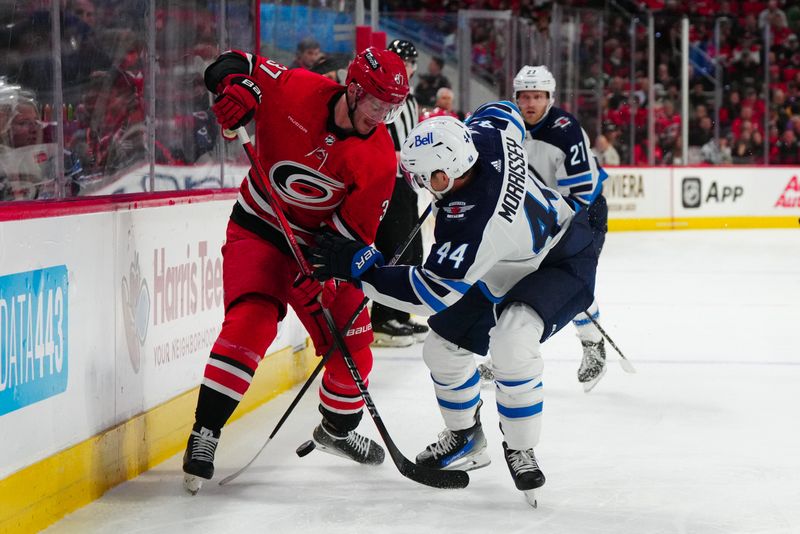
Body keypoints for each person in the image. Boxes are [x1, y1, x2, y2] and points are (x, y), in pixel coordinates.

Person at [309, 106, 599, 507]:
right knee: (442, 348)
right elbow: (505, 112)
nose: (422, 185)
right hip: (506, 260)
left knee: (513, 342)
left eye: (425, 178)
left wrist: (361, 267)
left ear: (445, 175)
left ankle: (521, 447)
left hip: (562, 256)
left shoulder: (473, 220)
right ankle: (466, 438)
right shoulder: (484, 136)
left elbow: (430, 294)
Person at [181, 46, 410, 494]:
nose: (381, 116)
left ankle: (337, 431)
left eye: (391, 108)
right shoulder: (296, 88)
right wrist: (236, 89)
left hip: (320, 251)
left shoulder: (380, 158)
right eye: (376, 104)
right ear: (355, 89)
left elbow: (350, 239)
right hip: (261, 226)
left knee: (355, 347)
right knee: (251, 322)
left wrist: (320, 277)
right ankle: (205, 432)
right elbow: (232, 64)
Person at [510, 65, 609, 392]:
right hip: (538, 215)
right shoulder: (509, 129)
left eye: (537, 96)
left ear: (549, 98)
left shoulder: (566, 131)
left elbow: (580, 195)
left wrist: (555, 226)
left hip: (582, 214)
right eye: (525, 96)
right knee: (512, 282)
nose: (530, 103)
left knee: (572, 284)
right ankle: (509, 353)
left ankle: (593, 342)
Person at [370, 39, 429, 347]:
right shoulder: (382, 97)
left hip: (406, 183)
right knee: (392, 247)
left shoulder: (411, 100)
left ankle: (400, 313)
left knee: (411, 249)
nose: (404, 66)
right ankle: (381, 318)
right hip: (386, 181)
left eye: (408, 61)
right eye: (398, 60)